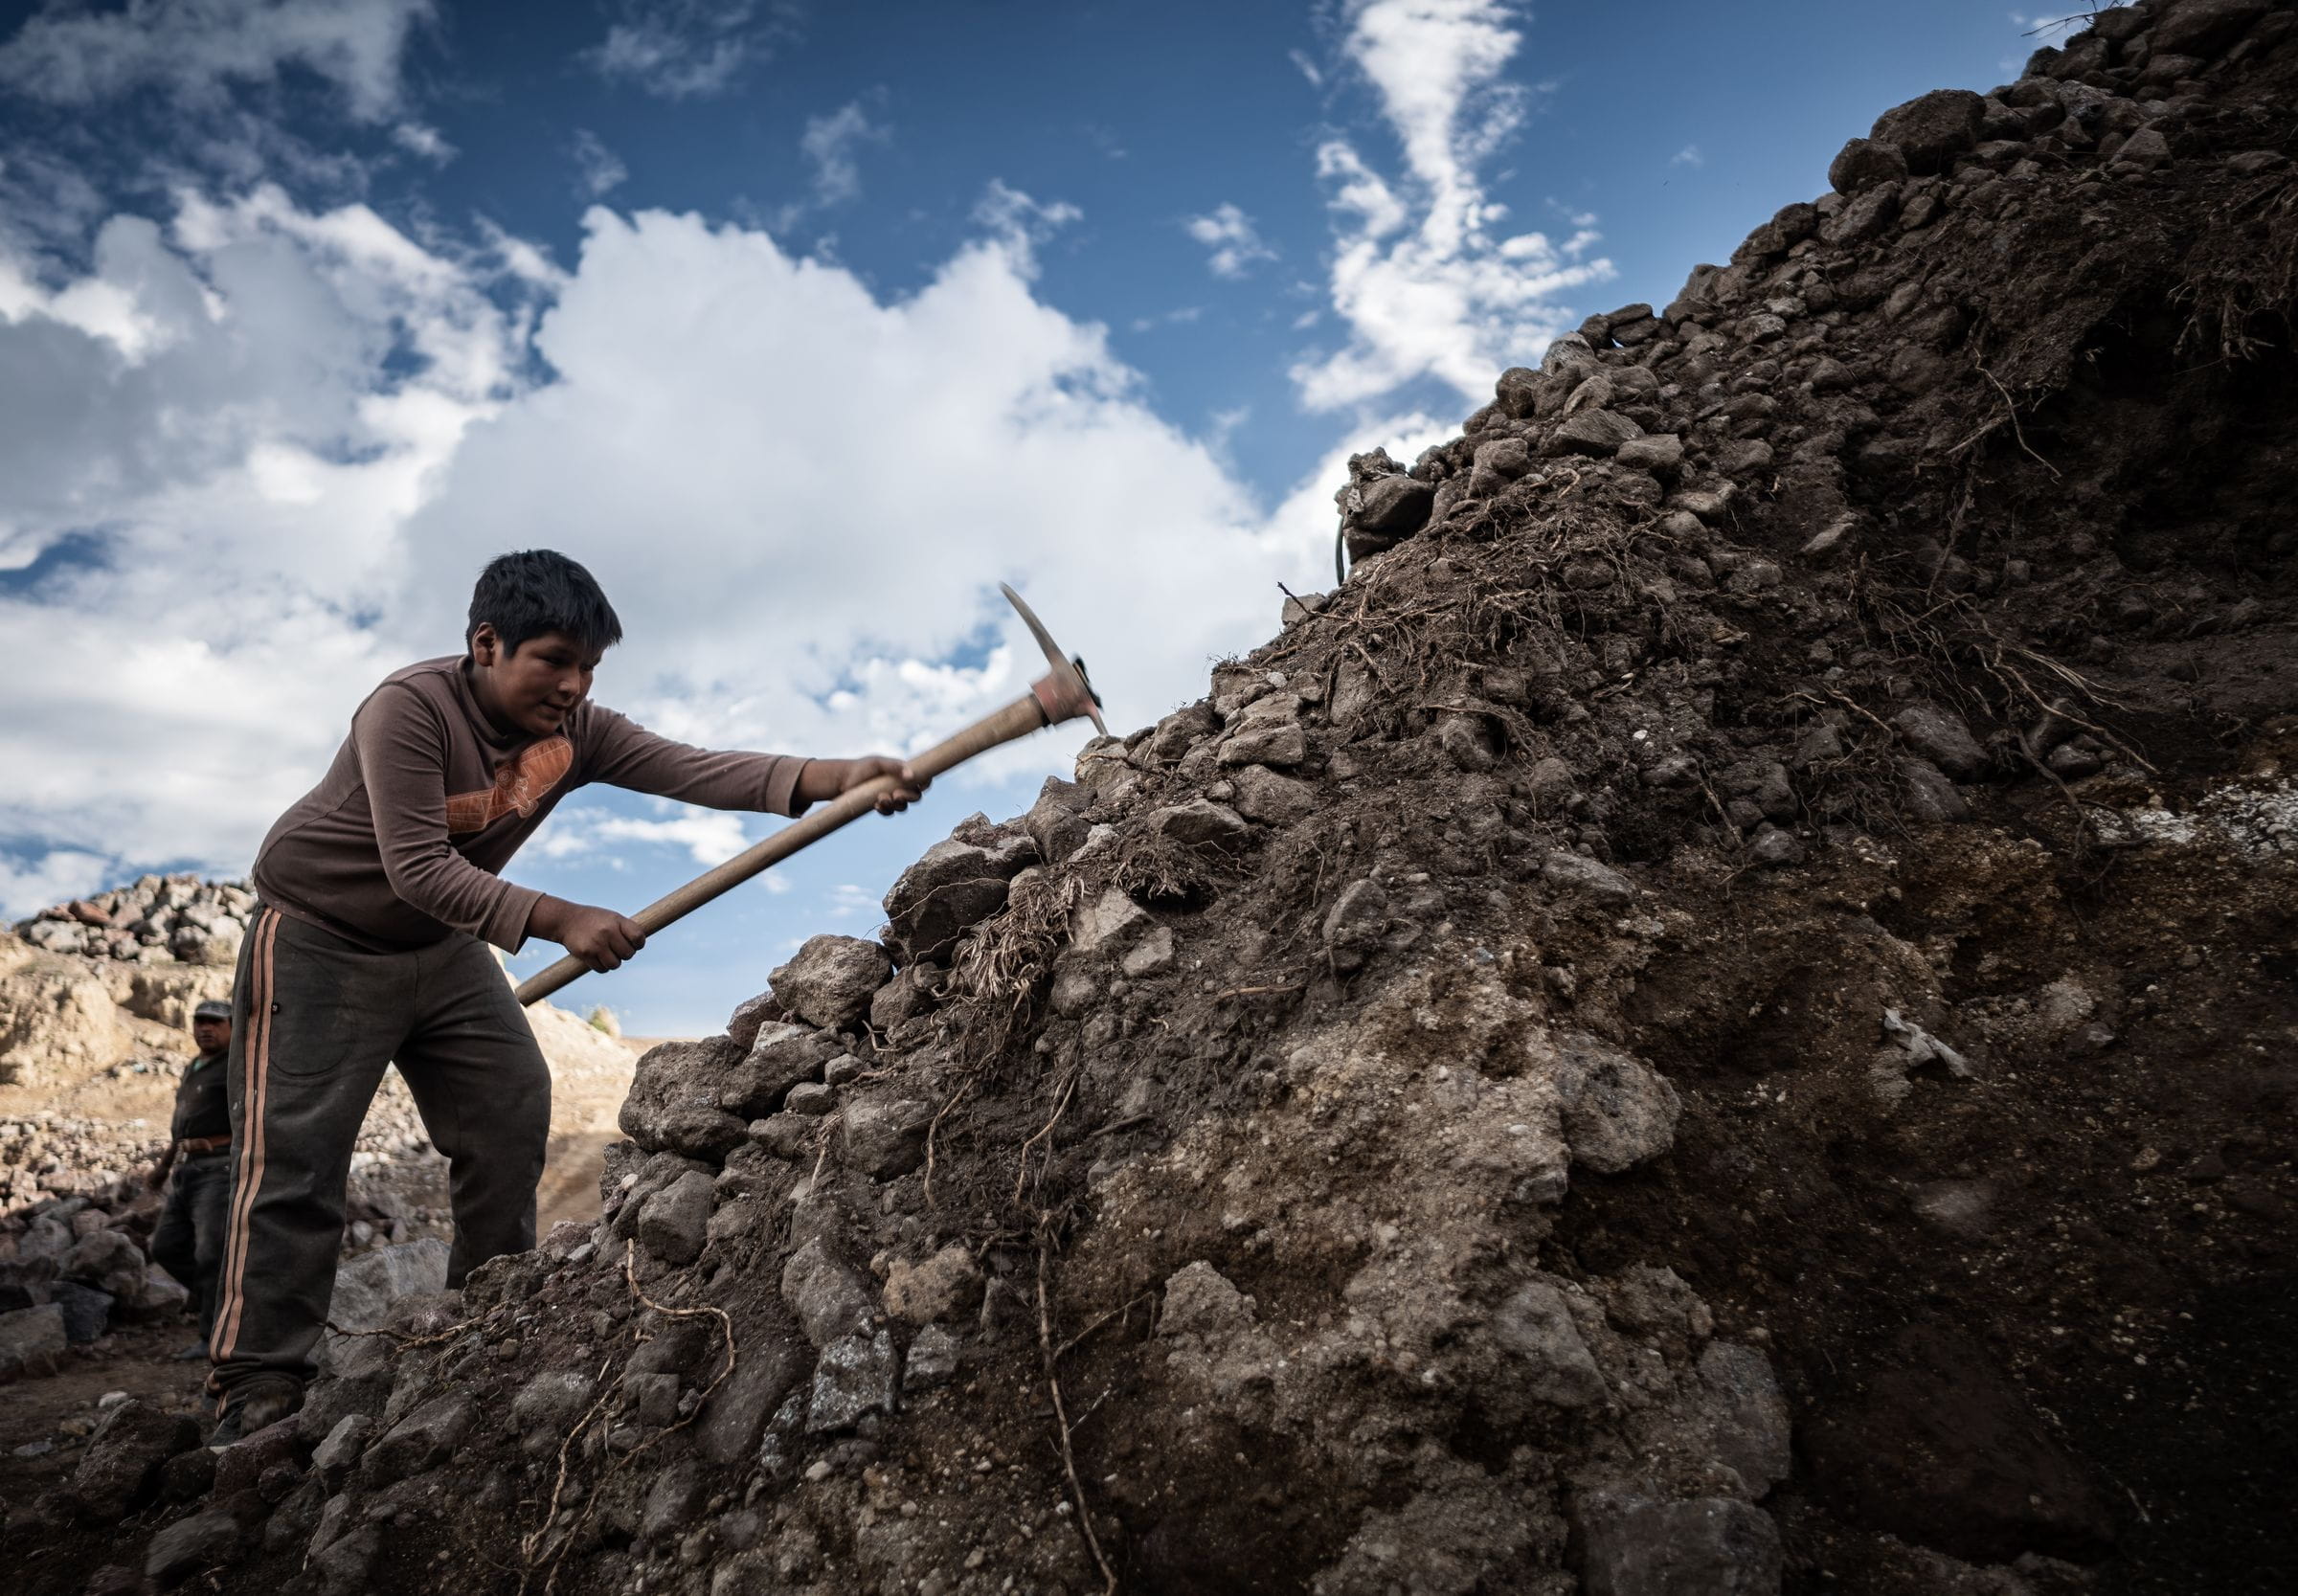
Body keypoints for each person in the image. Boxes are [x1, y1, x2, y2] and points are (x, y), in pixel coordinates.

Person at [206, 550, 924, 1442]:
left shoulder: (577, 730)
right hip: (322, 938)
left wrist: (834, 775)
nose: (574, 685)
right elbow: (418, 866)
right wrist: (560, 917)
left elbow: (696, 768)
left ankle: (480, 1318)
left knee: (508, 1105)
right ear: (487, 644)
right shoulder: (409, 709)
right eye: (553, 660)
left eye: (588, 667)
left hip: (443, 943)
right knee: (296, 1157)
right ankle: (256, 1378)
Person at [148, 998, 235, 1359]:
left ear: (232, 1028)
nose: (205, 1028)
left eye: (214, 1022)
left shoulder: (236, 1066)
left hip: (219, 1167)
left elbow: (253, 1116)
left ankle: (212, 1337)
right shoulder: (193, 1067)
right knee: (164, 1247)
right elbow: (180, 1127)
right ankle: (218, 1301)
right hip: (187, 1168)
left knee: (211, 1253)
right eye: (200, 1021)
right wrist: (163, 1167)